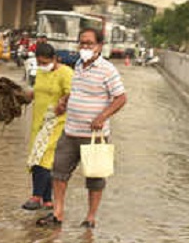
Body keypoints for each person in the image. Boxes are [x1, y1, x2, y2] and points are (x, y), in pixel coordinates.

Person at [36, 28, 127, 228]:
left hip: (94, 135)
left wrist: (102, 116)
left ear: (100, 46)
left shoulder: (108, 70)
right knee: (58, 173)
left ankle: (90, 218)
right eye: (82, 43)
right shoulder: (77, 65)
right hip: (70, 131)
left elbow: (121, 98)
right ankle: (58, 213)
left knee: (95, 179)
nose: (85, 47)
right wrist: (64, 102)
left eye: (89, 43)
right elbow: (76, 90)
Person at [22, 43, 73, 211]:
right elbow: (39, 91)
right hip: (39, 121)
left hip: (56, 122)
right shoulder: (41, 73)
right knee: (43, 158)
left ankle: (36, 196)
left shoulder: (65, 73)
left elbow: (73, 93)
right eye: (39, 63)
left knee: (41, 158)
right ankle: (47, 199)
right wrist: (27, 96)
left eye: (45, 62)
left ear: (55, 59)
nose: (42, 66)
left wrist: (63, 102)